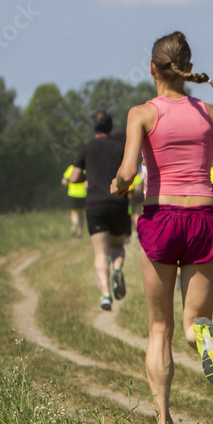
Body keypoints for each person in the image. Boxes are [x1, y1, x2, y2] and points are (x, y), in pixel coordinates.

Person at [111, 31, 213, 424]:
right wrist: (209, 192)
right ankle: (202, 336)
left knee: (159, 328)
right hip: (203, 220)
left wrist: (116, 186)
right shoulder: (209, 112)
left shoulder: (142, 114)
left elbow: (128, 173)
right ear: (188, 69)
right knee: (193, 323)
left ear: (152, 69)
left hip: (161, 219)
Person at [71, 111, 129, 311]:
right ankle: (117, 268)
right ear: (110, 127)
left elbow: (74, 177)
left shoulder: (87, 148)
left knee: (100, 252)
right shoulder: (121, 147)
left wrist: (87, 176)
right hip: (118, 202)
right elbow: (129, 173)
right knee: (117, 247)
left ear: (94, 128)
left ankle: (105, 294)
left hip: (95, 204)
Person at [62, 164, 87, 237]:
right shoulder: (85, 169)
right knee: (81, 214)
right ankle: (80, 233)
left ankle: (75, 223)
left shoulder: (71, 168)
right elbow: (87, 183)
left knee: (74, 212)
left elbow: (64, 181)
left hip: (72, 194)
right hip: (82, 194)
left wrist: (67, 184)